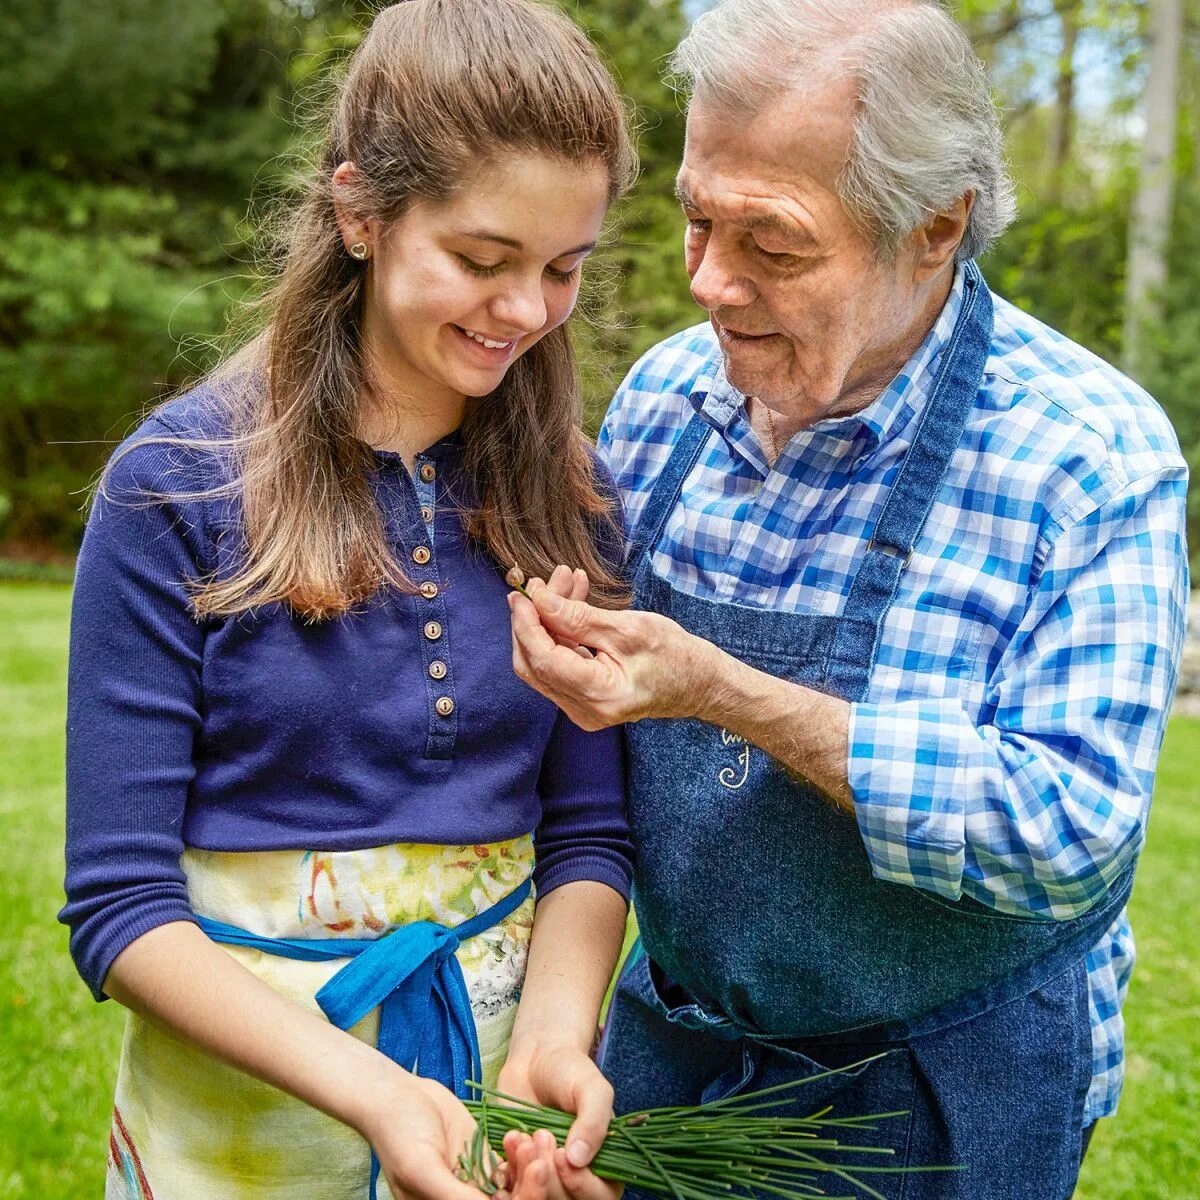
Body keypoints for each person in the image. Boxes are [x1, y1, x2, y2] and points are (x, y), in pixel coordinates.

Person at [504, 2, 1190, 1198]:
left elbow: (1069, 831)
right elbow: (588, 771)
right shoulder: (668, 399)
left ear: (934, 227)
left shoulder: (1086, 457)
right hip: (679, 1046)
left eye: (772, 244)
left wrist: (723, 692)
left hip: (941, 1091)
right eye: (695, 219)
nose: (713, 284)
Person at [59, 2, 639, 1197]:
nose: (526, 310)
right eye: (482, 261)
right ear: (361, 212)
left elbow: (587, 829)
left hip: (488, 1119)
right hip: (240, 1133)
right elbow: (120, 910)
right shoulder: (179, 487)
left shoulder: (566, 494)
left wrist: (550, 1039)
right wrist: (373, 1092)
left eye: (562, 268)